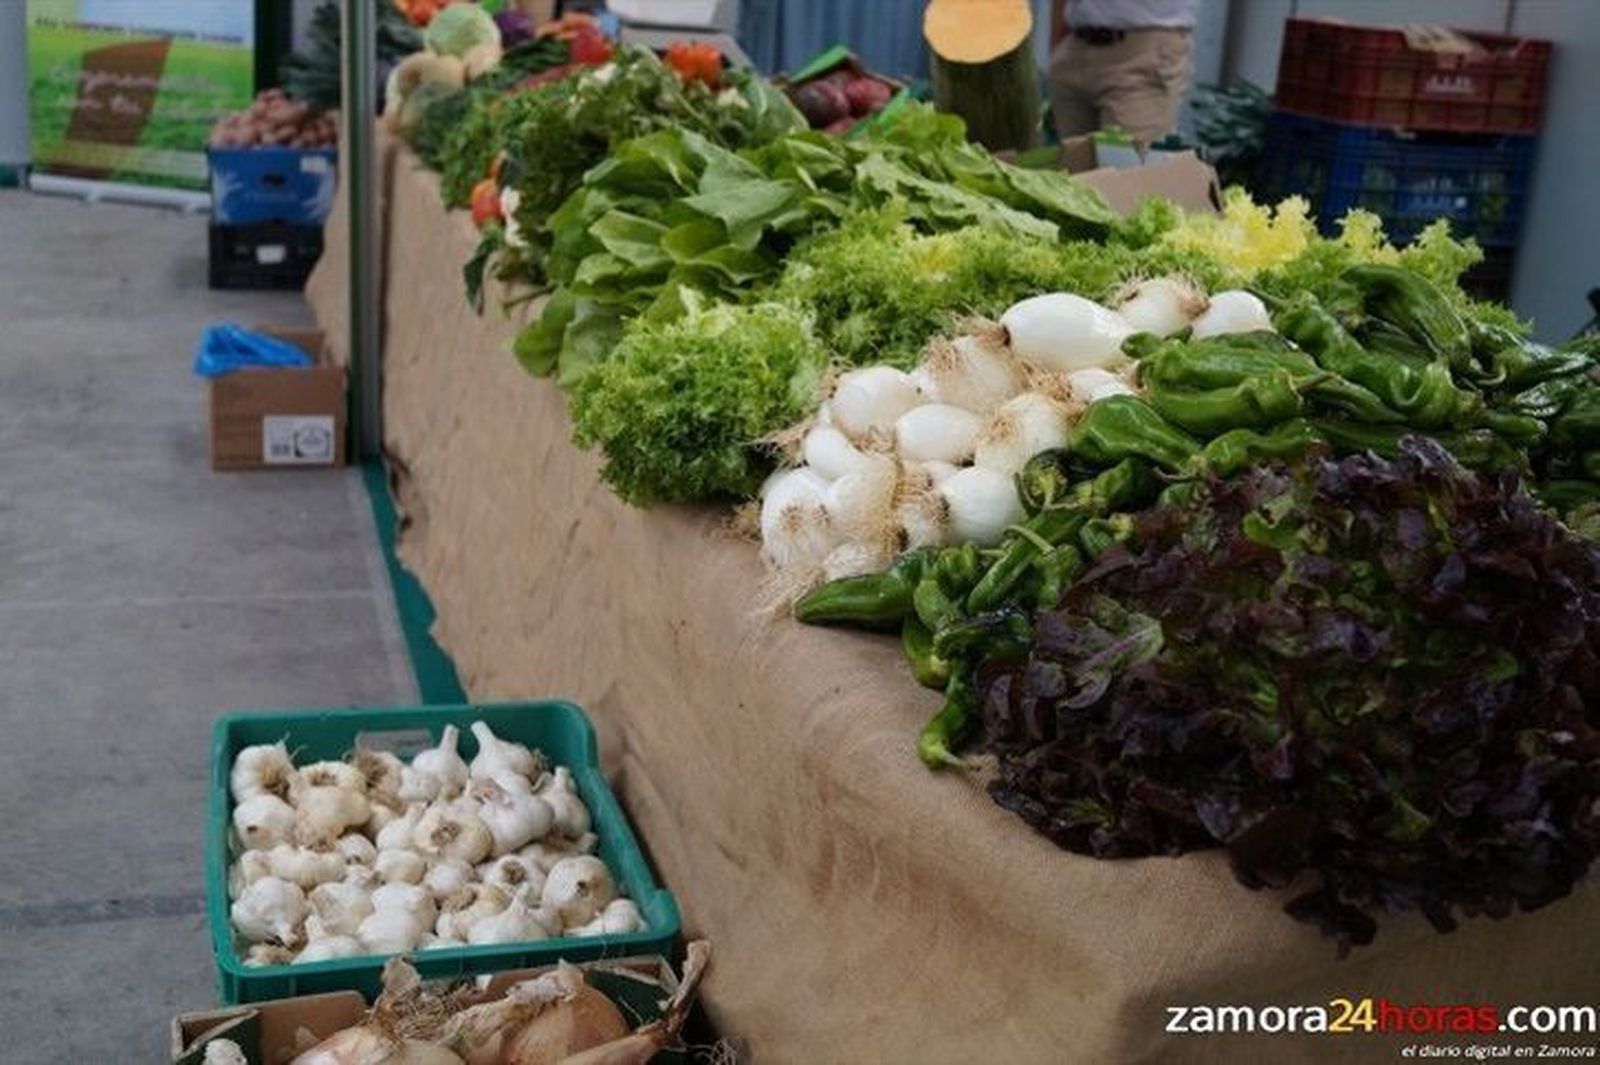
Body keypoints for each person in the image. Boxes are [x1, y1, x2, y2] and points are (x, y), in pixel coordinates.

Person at [1047, 0, 1199, 146]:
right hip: (1076, 46)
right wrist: (1058, 49)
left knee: (1128, 167)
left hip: (1141, 50)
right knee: (1073, 168)